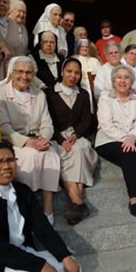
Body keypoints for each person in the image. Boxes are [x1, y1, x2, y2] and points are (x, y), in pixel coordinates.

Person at [0, 141, 82, 272]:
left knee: (71, 268)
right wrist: (40, 265)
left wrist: (64, 255)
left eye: (10, 160)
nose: (6, 166)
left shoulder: (22, 191)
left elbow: (42, 227)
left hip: (22, 253)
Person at [0, 56, 61, 224]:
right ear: (13, 73)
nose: (24, 76)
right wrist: (27, 142)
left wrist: (43, 139)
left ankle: (47, 208)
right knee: (30, 156)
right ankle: (27, 205)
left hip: (37, 140)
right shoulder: (1, 93)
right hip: (14, 142)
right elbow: (3, 127)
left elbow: (47, 124)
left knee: (50, 154)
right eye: (20, 71)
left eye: (29, 72)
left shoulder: (38, 94)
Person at [95, 65, 136, 217]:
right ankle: (134, 199)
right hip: (108, 139)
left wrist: (133, 137)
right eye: (119, 77)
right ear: (113, 81)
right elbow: (106, 126)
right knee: (129, 153)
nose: (122, 81)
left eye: (126, 78)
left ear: (131, 82)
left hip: (132, 137)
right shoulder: (105, 99)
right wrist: (127, 139)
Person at [45, 58, 99, 225]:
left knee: (81, 149)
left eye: (76, 72)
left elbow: (87, 120)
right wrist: (61, 140)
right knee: (64, 154)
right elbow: (47, 120)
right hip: (56, 136)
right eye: (69, 71)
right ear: (62, 72)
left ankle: (76, 204)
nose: (72, 75)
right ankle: (78, 202)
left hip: (77, 135)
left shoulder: (83, 94)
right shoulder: (49, 93)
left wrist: (76, 135)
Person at [74, 38, 101, 110]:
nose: (84, 48)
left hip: (94, 90)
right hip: (79, 89)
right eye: (82, 46)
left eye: (86, 47)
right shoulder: (73, 59)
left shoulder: (95, 60)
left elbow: (100, 77)